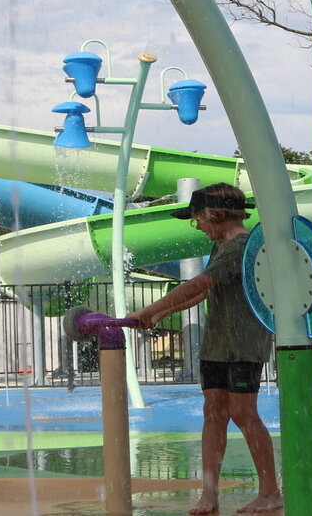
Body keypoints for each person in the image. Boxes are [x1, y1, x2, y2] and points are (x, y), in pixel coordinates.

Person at [126, 182, 281, 514]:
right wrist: (162, 312)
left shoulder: (240, 246)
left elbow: (199, 283)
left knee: (243, 412)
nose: (197, 226)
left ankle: (270, 492)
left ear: (216, 214)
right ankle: (209, 495)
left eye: (198, 219)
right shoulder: (221, 246)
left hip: (243, 344)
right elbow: (205, 292)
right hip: (217, 344)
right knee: (213, 413)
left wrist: (148, 309)